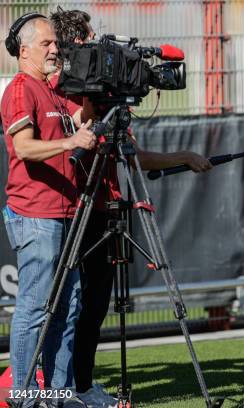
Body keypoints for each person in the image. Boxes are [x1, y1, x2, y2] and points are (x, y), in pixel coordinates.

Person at [49, 8, 212, 408]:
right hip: (74, 207)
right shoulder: (58, 87)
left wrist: (182, 156)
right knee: (69, 304)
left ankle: (82, 384)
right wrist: (92, 99)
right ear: (76, 45)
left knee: (97, 302)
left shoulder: (100, 91)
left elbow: (130, 151)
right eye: (91, 41)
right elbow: (80, 127)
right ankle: (58, 386)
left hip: (105, 203)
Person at [1, 13, 97, 407]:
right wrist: (71, 142)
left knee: (67, 309)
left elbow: (83, 119)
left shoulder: (52, 92)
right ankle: (24, 397)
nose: (55, 48)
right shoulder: (21, 89)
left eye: (55, 43)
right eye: (47, 44)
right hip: (36, 215)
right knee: (35, 309)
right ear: (24, 51)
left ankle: (59, 394)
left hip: (62, 214)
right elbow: (23, 148)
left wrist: (96, 90)